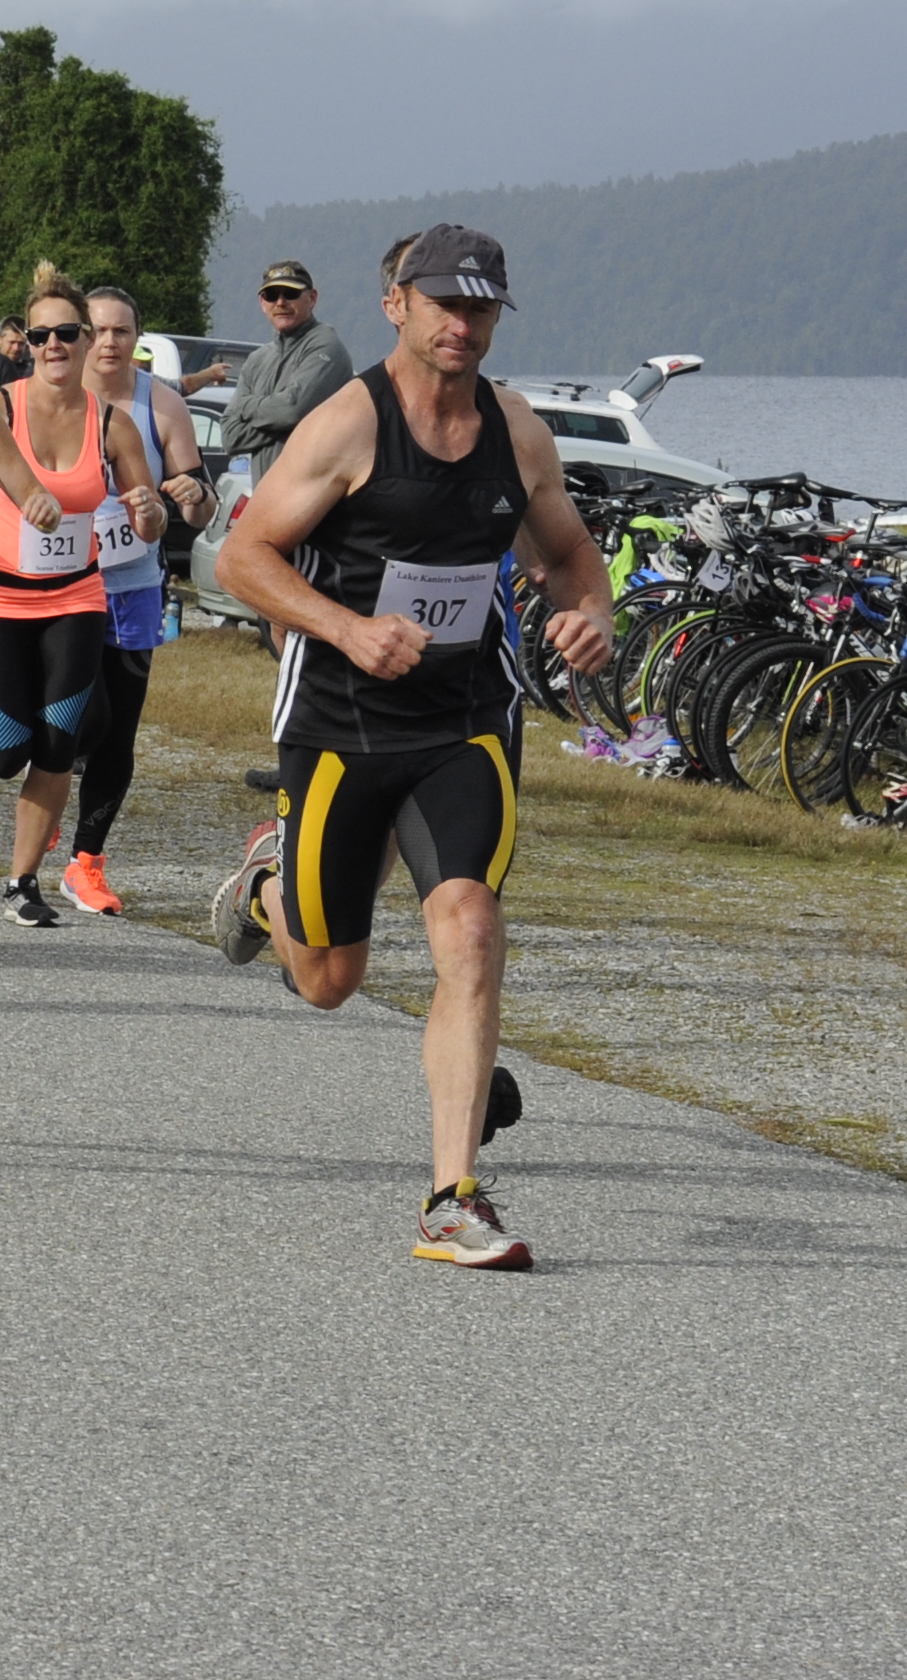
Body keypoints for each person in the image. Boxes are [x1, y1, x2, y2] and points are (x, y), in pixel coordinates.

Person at [206, 226, 611, 1269]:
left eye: (479, 310)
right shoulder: (346, 423)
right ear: (396, 304)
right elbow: (241, 556)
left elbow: (565, 552)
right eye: (443, 305)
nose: (460, 325)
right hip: (339, 726)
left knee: (468, 924)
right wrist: (344, 629)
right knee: (329, 979)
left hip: (462, 723)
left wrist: (589, 613)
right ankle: (266, 889)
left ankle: (451, 1196)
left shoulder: (514, 431)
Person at [0, 265, 164, 925]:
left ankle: (22, 882)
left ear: (83, 337)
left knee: (59, 743)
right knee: (8, 748)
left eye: (65, 333)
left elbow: (146, 517)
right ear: (25, 339)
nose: (52, 346)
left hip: (75, 599)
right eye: (38, 334)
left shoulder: (113, 424)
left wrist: (151, 511)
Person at [66, 285, 216, 915]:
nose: (108, 343)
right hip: (54, 586)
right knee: (62, 720)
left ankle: (86, 863)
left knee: (116, 730)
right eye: (95, 330)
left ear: (137, 339)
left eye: (121, 331)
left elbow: (203, 506)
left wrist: (188, 497)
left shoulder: (163, 404)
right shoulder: (47, 394)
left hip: (131, 586)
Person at [194, 262, 357, 489]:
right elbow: (231, 437)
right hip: (268, 498)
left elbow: (291, 409)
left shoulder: (326, 347)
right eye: (271, 295)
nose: (281, 302)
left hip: (316, 499)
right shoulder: (258, 360)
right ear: (263, 303)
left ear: (311, 298)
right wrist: (284, 419)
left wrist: (247, 406)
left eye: (290, 293)